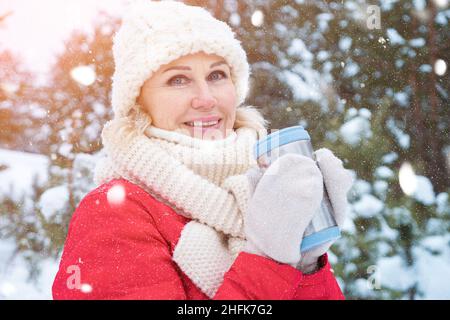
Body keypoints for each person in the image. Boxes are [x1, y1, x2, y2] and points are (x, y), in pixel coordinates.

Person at [52, 1, 353, 300]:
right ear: (138, 102)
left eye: (217, 75)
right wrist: (268, 260)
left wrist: (306, 261)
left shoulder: (263, 186)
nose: (206, 98)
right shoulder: (115, 211)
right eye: (178, 79)